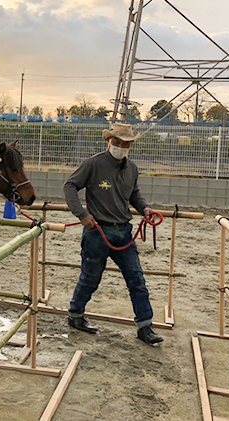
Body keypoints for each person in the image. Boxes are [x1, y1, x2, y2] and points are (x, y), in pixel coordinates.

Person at [63, 123, 163, 345]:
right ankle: (75, 315)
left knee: (136, 278)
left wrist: (145, 208)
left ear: (130, 145)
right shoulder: (94, 164)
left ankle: (145, 326)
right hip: (97, 232)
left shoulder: (132, 169)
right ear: (109, 141)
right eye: (116, 142)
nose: (120, 146)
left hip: (124, 232)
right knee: (90, 278)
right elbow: (70, 185)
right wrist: (81, 214)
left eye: (124, 143)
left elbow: (134, 194)